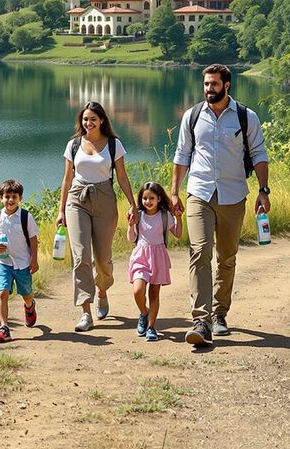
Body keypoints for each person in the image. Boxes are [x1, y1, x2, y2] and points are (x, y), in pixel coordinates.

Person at [171, 64, 270, 347]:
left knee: (227, 257)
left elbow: (259, 154)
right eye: (205, 84)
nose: (208, 89)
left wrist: (263, 191)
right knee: (200, 251)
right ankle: (201, 320)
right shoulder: (192, 116)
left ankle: (220, 314)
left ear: (227, 85)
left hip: (233, 194)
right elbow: (182, 155)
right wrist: (175, 192)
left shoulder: (245, 117)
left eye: (213, 84)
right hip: (199, 193)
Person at [56, 101, 137, 332]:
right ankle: (85, 312)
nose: (88, 123)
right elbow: (67, 179)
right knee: (81, 257)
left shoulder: (114, 144)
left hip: (104, 198)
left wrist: (133, 205)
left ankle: (102, 290)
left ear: (102, 120)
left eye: (93, 119)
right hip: (76, 199)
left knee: (103, 260)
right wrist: (61, 210)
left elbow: (122, 177)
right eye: (85, 119)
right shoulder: (73, 145)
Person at [127, 181, 182, 342]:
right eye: (144, 198)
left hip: (158, 256)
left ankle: (151, 327)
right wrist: (131, 226)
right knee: (138, 290)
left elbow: (178, 234)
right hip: (141, 255)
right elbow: (131, 238)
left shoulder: (165, 216)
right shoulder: (139, 215)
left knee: (154, 294)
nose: (147, 202)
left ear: (159, 198)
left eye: (151, 198)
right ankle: (144, 313)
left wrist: (178, 218)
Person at [0, 179, 39, 343]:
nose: (10, 200)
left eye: (14, 196)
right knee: (3, 293)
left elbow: (33, 240)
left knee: (26, 294)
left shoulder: (26, 217)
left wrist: (34, 260)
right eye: (7, 196)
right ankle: (4, 328)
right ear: (0, 198)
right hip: (3, 263)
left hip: (23, 262)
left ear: (20, 198)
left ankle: (30, 307)